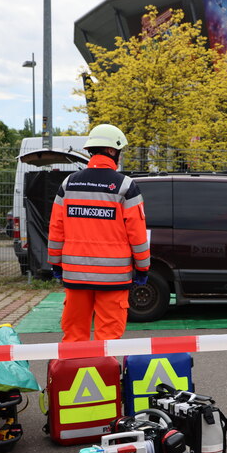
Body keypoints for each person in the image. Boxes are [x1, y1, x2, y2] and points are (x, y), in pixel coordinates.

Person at [48, 123, 150, 342]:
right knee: (108, 339)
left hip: (75, 275)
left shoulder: (69, 184)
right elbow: (138, 235)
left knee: (74, 336)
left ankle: (75, 374)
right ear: (112, 151)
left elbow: (56, 229)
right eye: (119, 152)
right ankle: (105, 376)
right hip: (113, 278)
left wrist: (56, 264)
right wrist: (142, 268)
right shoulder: (125, 186)